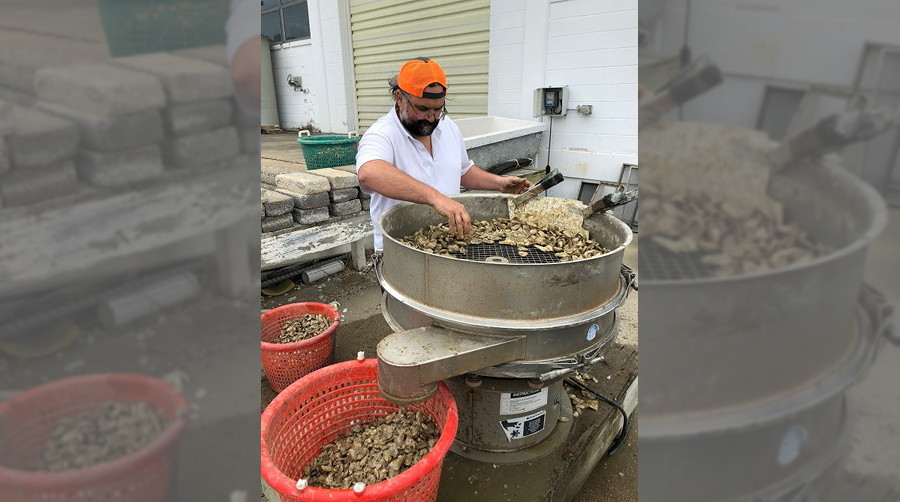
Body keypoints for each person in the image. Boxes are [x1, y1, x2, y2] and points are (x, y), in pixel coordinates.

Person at [356, 58, 532, 249]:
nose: (431, 117)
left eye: (438, 109)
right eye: (422, 108)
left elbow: (463, 171)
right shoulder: (382, 133)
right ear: (399, 98)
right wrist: (435, 198)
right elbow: (369, 174)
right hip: (402, 247)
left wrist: (499, 184)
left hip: (449, 241)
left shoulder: (448, 126)